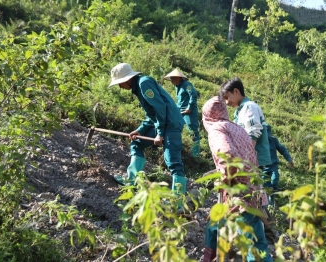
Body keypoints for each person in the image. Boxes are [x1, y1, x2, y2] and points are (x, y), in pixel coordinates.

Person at [201, 96, 272, 262]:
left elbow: (227, 154)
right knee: (213, 226)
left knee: (252, 242)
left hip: (240, 193)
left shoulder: (217, 130)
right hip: (251, 188)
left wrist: (225, 178)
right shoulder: (236, 128)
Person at [107, 63, 187, 197]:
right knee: (137, 142)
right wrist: (140, 130)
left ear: (127, 79)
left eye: (120, 83)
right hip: (162, 123)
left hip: (171, 124)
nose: (120, 87)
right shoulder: (138, 87)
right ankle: (131, 181)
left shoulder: (144, 83)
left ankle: (178, 200)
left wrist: (160, 134)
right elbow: (151, 115)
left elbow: (160, 108)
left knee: (172, 161)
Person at [163, 68, 200, 157]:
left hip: (189, 112)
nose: (172, 81)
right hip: (181, 112)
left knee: (193, 131)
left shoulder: (186, 85)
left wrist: (189, 107)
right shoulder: (177, 88)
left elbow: (193, 95)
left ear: (178, 78)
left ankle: (196, 153)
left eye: (173, 79)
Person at [263, 124, 293, 201]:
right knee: (264, 185)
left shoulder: (273, 140)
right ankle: (265, 204)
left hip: (273, 166)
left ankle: (272, 201)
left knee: (274, 181)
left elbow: (282, 149)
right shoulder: (259, 141)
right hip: (263, 168)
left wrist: (289, 159)